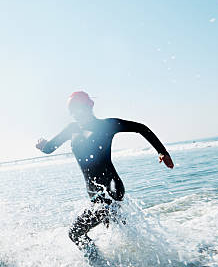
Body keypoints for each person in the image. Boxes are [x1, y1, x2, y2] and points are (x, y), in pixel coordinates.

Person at [36, 91, 174, 258]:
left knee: (75, 233)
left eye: (78, 108)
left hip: (111, 188)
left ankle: (100, 266)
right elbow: (50, 148)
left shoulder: (106, 125)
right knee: (122, 232)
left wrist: (162, 152)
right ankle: (149, 257)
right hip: (94, 193)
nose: (75, 112)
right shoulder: (71, 129)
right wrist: (42, 145)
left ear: (89, 106)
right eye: (71, 110)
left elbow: (141, 128)